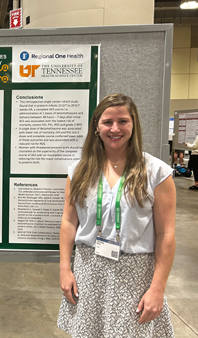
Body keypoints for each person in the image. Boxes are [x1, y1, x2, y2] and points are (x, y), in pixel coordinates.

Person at [57, 94, 176, 337]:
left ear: (134, 125)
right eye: (107, 122)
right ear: (96, 126)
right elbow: (69, 222)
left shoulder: (156, 173)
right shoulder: (79, 171)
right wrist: (64, 269)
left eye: (122, 121)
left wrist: (158, 288)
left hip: (135, 274)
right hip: (89, 271)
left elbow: (166, 234)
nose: (115, 128)